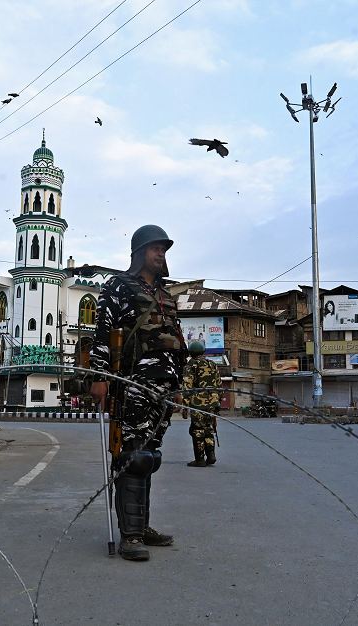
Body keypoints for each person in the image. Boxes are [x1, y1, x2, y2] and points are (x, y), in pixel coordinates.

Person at [90, 225, 186, 562]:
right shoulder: (117, 287)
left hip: (163, 388)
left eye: (164, 250)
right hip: (131, 384)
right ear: (139, 252)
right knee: (132, 457)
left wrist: (177, 386)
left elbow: (177, 344)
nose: (161, 254)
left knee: (150, 458)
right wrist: (99, 377)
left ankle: (141, 526)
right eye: (155, 248)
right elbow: (102, 333)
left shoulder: (167, 295)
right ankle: (130, 536)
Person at [181, 341, 222, 467]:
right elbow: (219, 384)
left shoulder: (191, 365)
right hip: (212, 402)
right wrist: (217, 401)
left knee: (197, 430)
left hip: (198, 402)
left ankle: (200, 459)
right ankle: (211, 455)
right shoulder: (212, 364)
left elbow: (187, 386)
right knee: (209, 428)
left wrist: (185, 405)